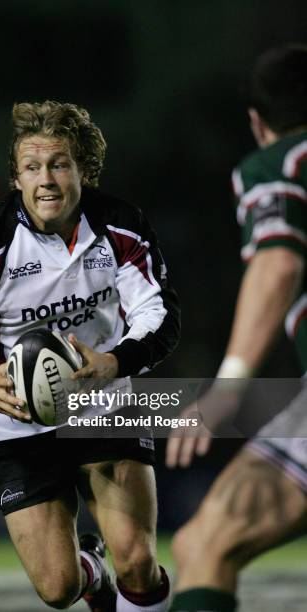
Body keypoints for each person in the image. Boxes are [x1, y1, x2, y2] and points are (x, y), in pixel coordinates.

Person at [0, 101, 180, 612]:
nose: (46, 180)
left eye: (60, 164)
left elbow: (160, 317)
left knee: (138, 561)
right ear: (16, 179)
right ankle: (89, 571)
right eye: (32, 167)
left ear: (84, 171)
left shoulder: (120, 226)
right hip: (12, 426)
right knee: (58, 588)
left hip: (101, 407)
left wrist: (115, 362)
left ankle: (115, 573)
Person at [166, 44, 307, 612]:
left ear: (257, 121)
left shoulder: (280, 163)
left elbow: (278, 263)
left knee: (207, 545)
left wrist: (228, 386)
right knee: (203, 540)